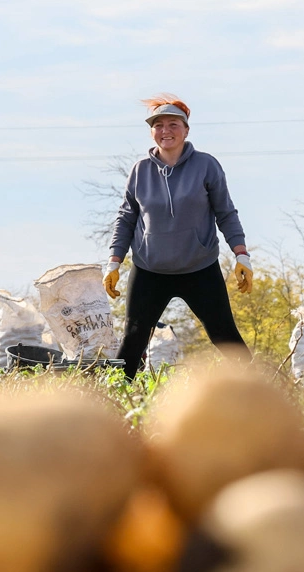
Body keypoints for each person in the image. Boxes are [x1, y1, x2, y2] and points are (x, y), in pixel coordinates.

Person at [104, 94, 251, 378]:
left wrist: (241, 254)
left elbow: (226, 213)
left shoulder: (206, 166)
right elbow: (126, 218)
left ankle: (262, 395)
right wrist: (114, 261)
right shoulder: (140, 171)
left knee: (225, 336)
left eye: (173, 124)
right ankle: (111, 405)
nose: (165, 130)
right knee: (132, 340)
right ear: (151, 132)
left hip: (199, 268)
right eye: (158, 125)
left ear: (186, 130)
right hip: (150, 270)